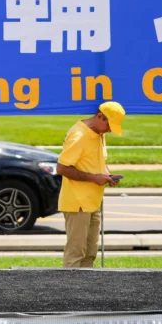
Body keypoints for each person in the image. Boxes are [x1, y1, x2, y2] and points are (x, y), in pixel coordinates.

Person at [56, 101, 126, 268]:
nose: (110, 130)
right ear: (100, 117)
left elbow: (101, 161)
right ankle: (69, 292)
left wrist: (107, 175)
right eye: (109, 125)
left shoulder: (99, 134)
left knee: (90, 254)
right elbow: (62, 168)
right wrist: (95, 178)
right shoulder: (79, 136)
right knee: (76, 254)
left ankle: (88, 292)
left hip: (92, 202)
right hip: (77, 203)